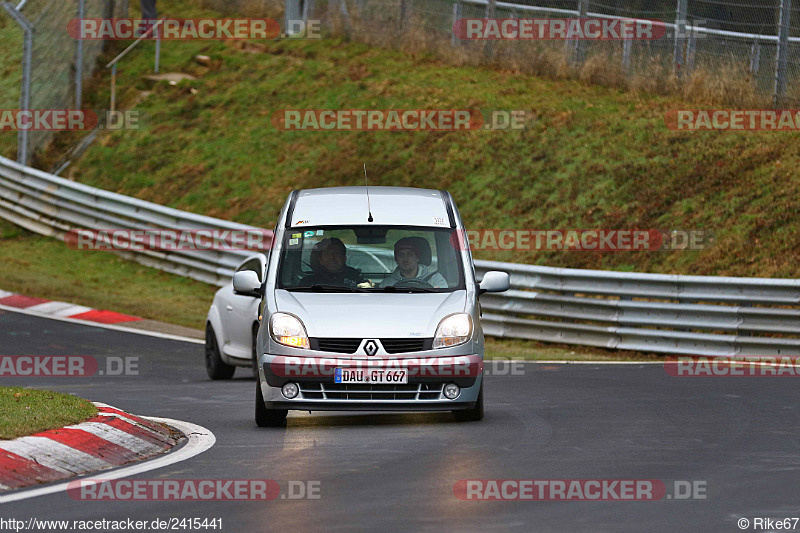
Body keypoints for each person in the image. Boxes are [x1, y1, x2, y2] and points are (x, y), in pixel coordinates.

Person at [380, 237, 447, 288]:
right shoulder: (387, 284)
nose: (405, 259)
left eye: (410, 254)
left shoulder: (435, 280)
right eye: (401, 255)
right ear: (396, 259)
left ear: (417, 258)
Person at [299, 238, 364, 288]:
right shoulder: (309, 281)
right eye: (327, 254)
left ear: (344, 258)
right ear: (320, 259)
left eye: (336, 253)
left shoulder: (355, 276)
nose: (332, 257)